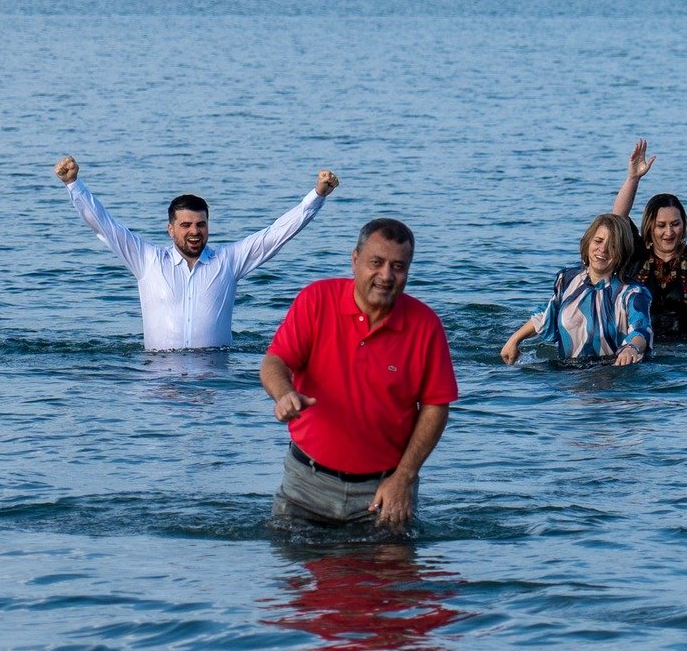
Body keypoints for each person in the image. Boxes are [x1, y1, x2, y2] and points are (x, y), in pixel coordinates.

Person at [260, 218, 458, 532]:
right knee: (291, 560)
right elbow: (275, 361)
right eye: (376, 263)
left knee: (395, 563)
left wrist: (404, 478)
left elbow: (436, 406)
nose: (386, 276)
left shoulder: (426, 325)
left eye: (398, 266)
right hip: (306, 486)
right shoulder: (316, 300)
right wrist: (284, 394)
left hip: (384, 491)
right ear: (355, 260)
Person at [53, 155, 339, 350]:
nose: (194, 231)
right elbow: (104, 225)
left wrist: (317, 196)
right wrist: (74, 185)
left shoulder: (228, 261)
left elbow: (276, 234)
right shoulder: (147, 260)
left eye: (201, 224)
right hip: (158, 381)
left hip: (215, 380)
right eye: (186, 225)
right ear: (170, 229)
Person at [610, 138, 687, 341]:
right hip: (639, 347)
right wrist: (633, 178)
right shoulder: (636, 255)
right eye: (661, 225)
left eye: (675, 224)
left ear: (684, 225)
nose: (669, 232)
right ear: (650, 227)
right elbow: (618, 220)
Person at [499, 213, 653, 365]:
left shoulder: (633, 292)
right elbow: (546, 314)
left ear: (622, 252)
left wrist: (631, 348)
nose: (603, 249)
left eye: (613, 245)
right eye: (598, 241)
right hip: (566, 374)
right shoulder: (567, 280)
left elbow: (642, 330)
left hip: (610, 373)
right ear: (587, 243)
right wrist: (514, 340)